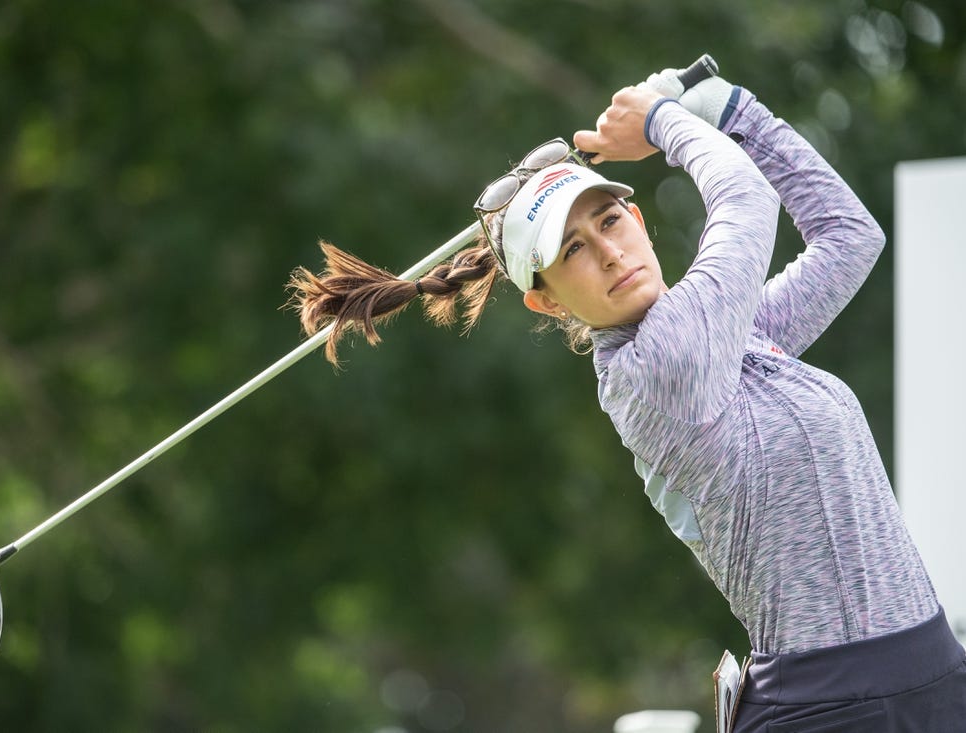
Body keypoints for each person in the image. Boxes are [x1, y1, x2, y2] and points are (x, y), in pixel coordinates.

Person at [288, 66, 966, 731]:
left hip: (936, 672)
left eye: (610, 220)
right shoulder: (656, 368)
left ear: (637, 218)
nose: (610, 252)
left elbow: (850, 237)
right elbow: (748, 202)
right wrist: (662, 120)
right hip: (831, 708)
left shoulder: (740, 339)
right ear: (546, 300)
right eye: (574, 250)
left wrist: (731, 108)